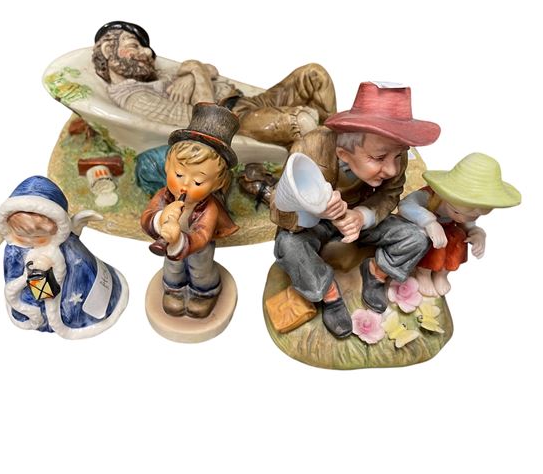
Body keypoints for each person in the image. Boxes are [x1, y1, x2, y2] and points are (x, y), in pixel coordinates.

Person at [271, 82, 441, 338]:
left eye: (398, 156)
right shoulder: (311, 148)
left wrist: (363, 216)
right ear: (343, 153)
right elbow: (279, 206)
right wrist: (316, 210)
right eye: (379, 158)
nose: (392, 168)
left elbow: (390, 194)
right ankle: (329, 294)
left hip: (361, 220)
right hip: (313, 223)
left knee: (416, 237)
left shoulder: (394, 150)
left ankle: (376, 273)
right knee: (288, 246)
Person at [92, 21, 336, 147]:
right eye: (134, 45)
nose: (147, 52)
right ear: (107, 50)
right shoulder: (136, 97)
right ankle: (332, 163)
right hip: (236, 121)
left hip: (245, 100)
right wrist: (195, 70)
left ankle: (339, 141)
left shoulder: (152, 76)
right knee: (300, 121)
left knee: (313, 74)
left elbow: (211, 69)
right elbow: (207, 121)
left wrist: (192, 75)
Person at [0, 176, 129, 339]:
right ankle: (39, 318)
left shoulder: (67, 249)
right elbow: (11, 276)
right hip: (30, 301)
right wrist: (27, 277)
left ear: (57, 229)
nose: (30, 241)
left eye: (39, 236)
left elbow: (80, 269)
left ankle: (67, 318)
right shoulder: (14, 251)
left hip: (69, 300)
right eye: (21, 235)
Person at [140, 103, 240, 319]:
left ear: (217, 183)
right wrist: (161, 219)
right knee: (172, 267)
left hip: (198, 247)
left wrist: (179, 240)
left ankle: (204, 293)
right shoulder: (163, 196)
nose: (184, 185)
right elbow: (146, 218)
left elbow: (202, 235)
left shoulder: (209, 208)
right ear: (167, 166)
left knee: (200, 269)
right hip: (170, 244)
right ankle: (174, 291)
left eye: (198, 181)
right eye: (178, 175)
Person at [398, 152, 521, 296]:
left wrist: (477, 234)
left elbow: (468, 226)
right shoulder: (430, 196)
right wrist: (429, 222)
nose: (463, 219)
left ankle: (442, 274)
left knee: (458, 237)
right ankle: (423, 274)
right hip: (422, 230)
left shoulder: (465, 215)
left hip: (448, 232)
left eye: (474, 216)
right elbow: (405, 206)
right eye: (456, 212)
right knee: (431, 240)